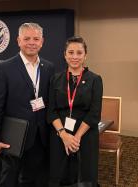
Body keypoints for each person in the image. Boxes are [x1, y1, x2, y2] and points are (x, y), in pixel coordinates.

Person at [0, 22, 54, 187]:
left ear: (42, 41)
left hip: (39, 137)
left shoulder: (48, 67)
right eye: (27, 38)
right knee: (8, 179)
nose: (32, 42)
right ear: (18, 41)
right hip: (13, 136)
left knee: (30, 179)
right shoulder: (4, 68)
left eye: (36, 38)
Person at [47, 36, 103, 186]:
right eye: (70, 52)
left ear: (85, 55)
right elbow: (51, 111)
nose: (75, 57)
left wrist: (75, 138)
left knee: (84, 177)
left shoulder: (95, 80)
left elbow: (94, 113)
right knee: (60, 175)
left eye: (79, 52)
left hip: (85, 135)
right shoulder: (55, 79)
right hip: (60, 134)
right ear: (65, 54)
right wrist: (64, 135)